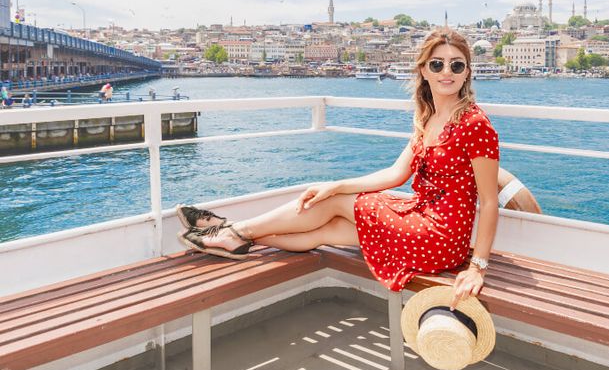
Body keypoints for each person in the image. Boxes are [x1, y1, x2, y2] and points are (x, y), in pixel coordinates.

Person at [178, 28, 500, 307]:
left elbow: (487, 202)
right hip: (420, 219)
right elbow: (396, 174)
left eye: (456, 65)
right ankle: (237, 236)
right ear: (424, 72)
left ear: (467, 72)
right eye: (437, 64)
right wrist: (337, 184)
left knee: (333, 204)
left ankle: (236, 230)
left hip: (440, 238)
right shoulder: (429, 118)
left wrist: (477, 267)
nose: (447, 71)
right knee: (327, 231)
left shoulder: (475, 124)